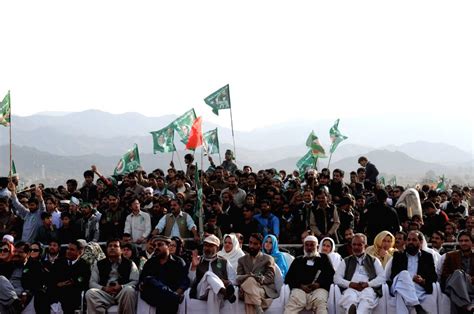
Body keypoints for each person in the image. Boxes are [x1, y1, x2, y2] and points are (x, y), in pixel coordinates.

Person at [385, 230, 437, 314]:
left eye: (414, 240)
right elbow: (393, 276)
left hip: (417, 288)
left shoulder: (427, 257)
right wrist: (407, 279)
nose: (410, 242)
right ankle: (417, 305)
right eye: (408, 240)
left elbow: (433, 278)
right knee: (404, 274)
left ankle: (414, 307)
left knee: (400, 295)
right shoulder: (398, 256)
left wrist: (422, 281)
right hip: (399, 284)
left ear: (420, 242)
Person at [334, 233, 385, 314]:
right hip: (351, 289)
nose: (356, 247)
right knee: (350, 299)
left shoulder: (374, 260)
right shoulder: (346, 261)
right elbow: (336, 278)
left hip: (368, 289)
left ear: (365, 246)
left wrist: (368, 284)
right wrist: (350, 284)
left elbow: (382, 278)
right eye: (354, 244)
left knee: (365, 302)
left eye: (359, 245)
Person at [86, 239, 139, 314]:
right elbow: (92, 282)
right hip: (105, 293)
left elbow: (135, 281)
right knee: (90, 293)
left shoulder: (130, 263)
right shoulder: (99, 264)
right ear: (106, 249)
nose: (112, 248)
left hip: (122, 292)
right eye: (110, 246)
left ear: (121, 250)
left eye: (115, 246)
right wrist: (104, 288)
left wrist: (121, 287)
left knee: (129, 290)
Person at [284, 235, 334, 314]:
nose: (309, 248)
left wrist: (319, 284)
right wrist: (301, 286)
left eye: (312, 245)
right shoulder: (298, 260)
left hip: (319, 290)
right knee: (292, 304)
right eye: (307, 245)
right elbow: (288, 278)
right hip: (300, 290)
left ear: (317, 247)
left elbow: (331, 276)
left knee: (321, 302)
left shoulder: (324, 258)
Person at [139, 235, 190, 314]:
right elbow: (142, 281)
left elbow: (185, 281)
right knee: (149, 279)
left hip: (168, 294)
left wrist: (177, 292)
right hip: (153, 295)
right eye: (155, 245)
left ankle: (172, 296)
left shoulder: (178, 262)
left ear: (168, 246)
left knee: (165, 298)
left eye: (160, 245)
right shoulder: (150, 263)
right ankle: (173, 297)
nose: (156, 248)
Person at [189, 235, 237, 312]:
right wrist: (194, 267)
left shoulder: (224, 262)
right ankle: (224, 292)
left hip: (217, 294)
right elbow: (191, 282)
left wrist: (227, 282)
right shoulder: (197, 260)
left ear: (217, 248)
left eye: (211, 246)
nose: (207, 248)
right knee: (208, 274)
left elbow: (234, 279)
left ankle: (221, 290)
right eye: (205, 245)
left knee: (213, 290)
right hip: (200, 291)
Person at [236, 233, 278, 314]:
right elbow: (238, 278)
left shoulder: (268, 259)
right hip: (245, 290)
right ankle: (258, 308)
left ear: (260, 245)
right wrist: (248, 276)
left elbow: (270, 278)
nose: (251, 246)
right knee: (249, 280)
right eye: (250, 243)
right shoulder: (241, 260)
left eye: (255, 244)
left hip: (261, 289)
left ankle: (258, 307)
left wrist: (258, 278)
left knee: (250, 284)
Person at [49, 240, 91, 314]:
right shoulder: (59, 262)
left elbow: (83, 280)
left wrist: (73, 282)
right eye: (67, 249)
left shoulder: (84, 265)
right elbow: (51, 278)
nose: (68, 251)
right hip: (57, 293)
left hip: (74, 295)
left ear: (79, 252)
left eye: (72, 250)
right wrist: (58, 284)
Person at [441, 231, 474, 313]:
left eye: (466, 241)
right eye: (461, 241)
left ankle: (464, 305)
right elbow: (444, 275)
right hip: (454, 284)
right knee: (458, 273)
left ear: (472, 242)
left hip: (470, 285)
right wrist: (459, 277)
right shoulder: (451, 255)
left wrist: (470, 278)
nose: (463, 243)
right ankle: (468, 304)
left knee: (455, 294)